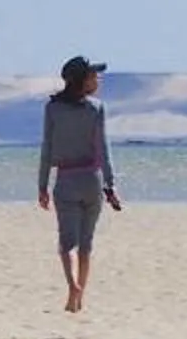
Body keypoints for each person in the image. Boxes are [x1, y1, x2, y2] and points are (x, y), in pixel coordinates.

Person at [37, 56, 125, 312]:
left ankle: (72, 287)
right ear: (81, 81)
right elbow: (103, 149)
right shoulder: (96, 108)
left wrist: (42, 185)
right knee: (86, 243)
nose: (98, 79)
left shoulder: (52, 109)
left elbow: (47, 148)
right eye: (93, 76)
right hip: (92, 179)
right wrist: (110, 184)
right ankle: (79, 297)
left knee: (67, 243)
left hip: (66, 178)